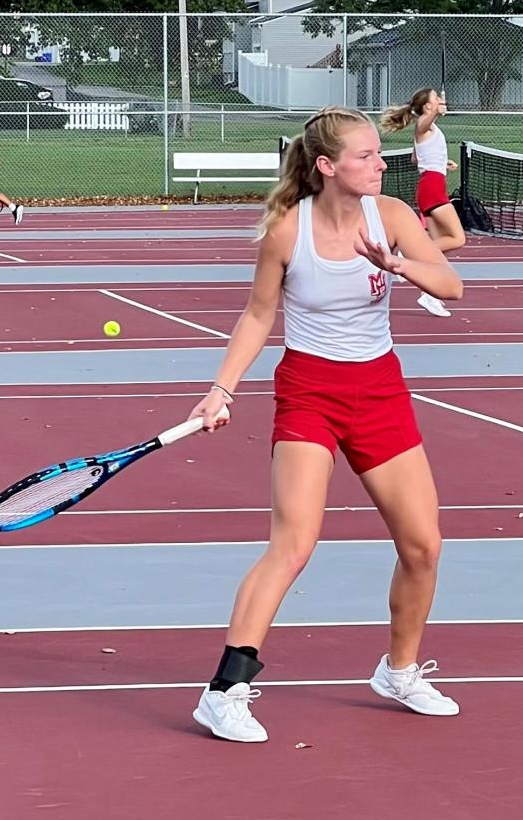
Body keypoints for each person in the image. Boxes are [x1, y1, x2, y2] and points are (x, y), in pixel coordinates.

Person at [188, 106, 463, 744]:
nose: (381, 163)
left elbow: (451, 285)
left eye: (378, 153)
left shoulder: (392, 217)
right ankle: (225, 690)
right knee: (294, 544)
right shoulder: (287, 230)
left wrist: (396, 266)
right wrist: (220, 389)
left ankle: (398, 671)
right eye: (366, 155)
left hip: (380, 392)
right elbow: (258, 316)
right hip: (309, 393)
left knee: (423, 546)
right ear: (327, 166)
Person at [380, 88, 465, 318]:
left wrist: (441, 161)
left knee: (438, 247)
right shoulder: (423, 124)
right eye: (435, 98)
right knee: (457, 238)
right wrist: (438, 111)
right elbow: (426, 122)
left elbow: (416, 158)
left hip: (432, 183)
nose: (439, 100)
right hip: (432, 188)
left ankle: (430, 296)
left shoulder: (428, 129)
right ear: (427, 106)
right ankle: (405, 259)